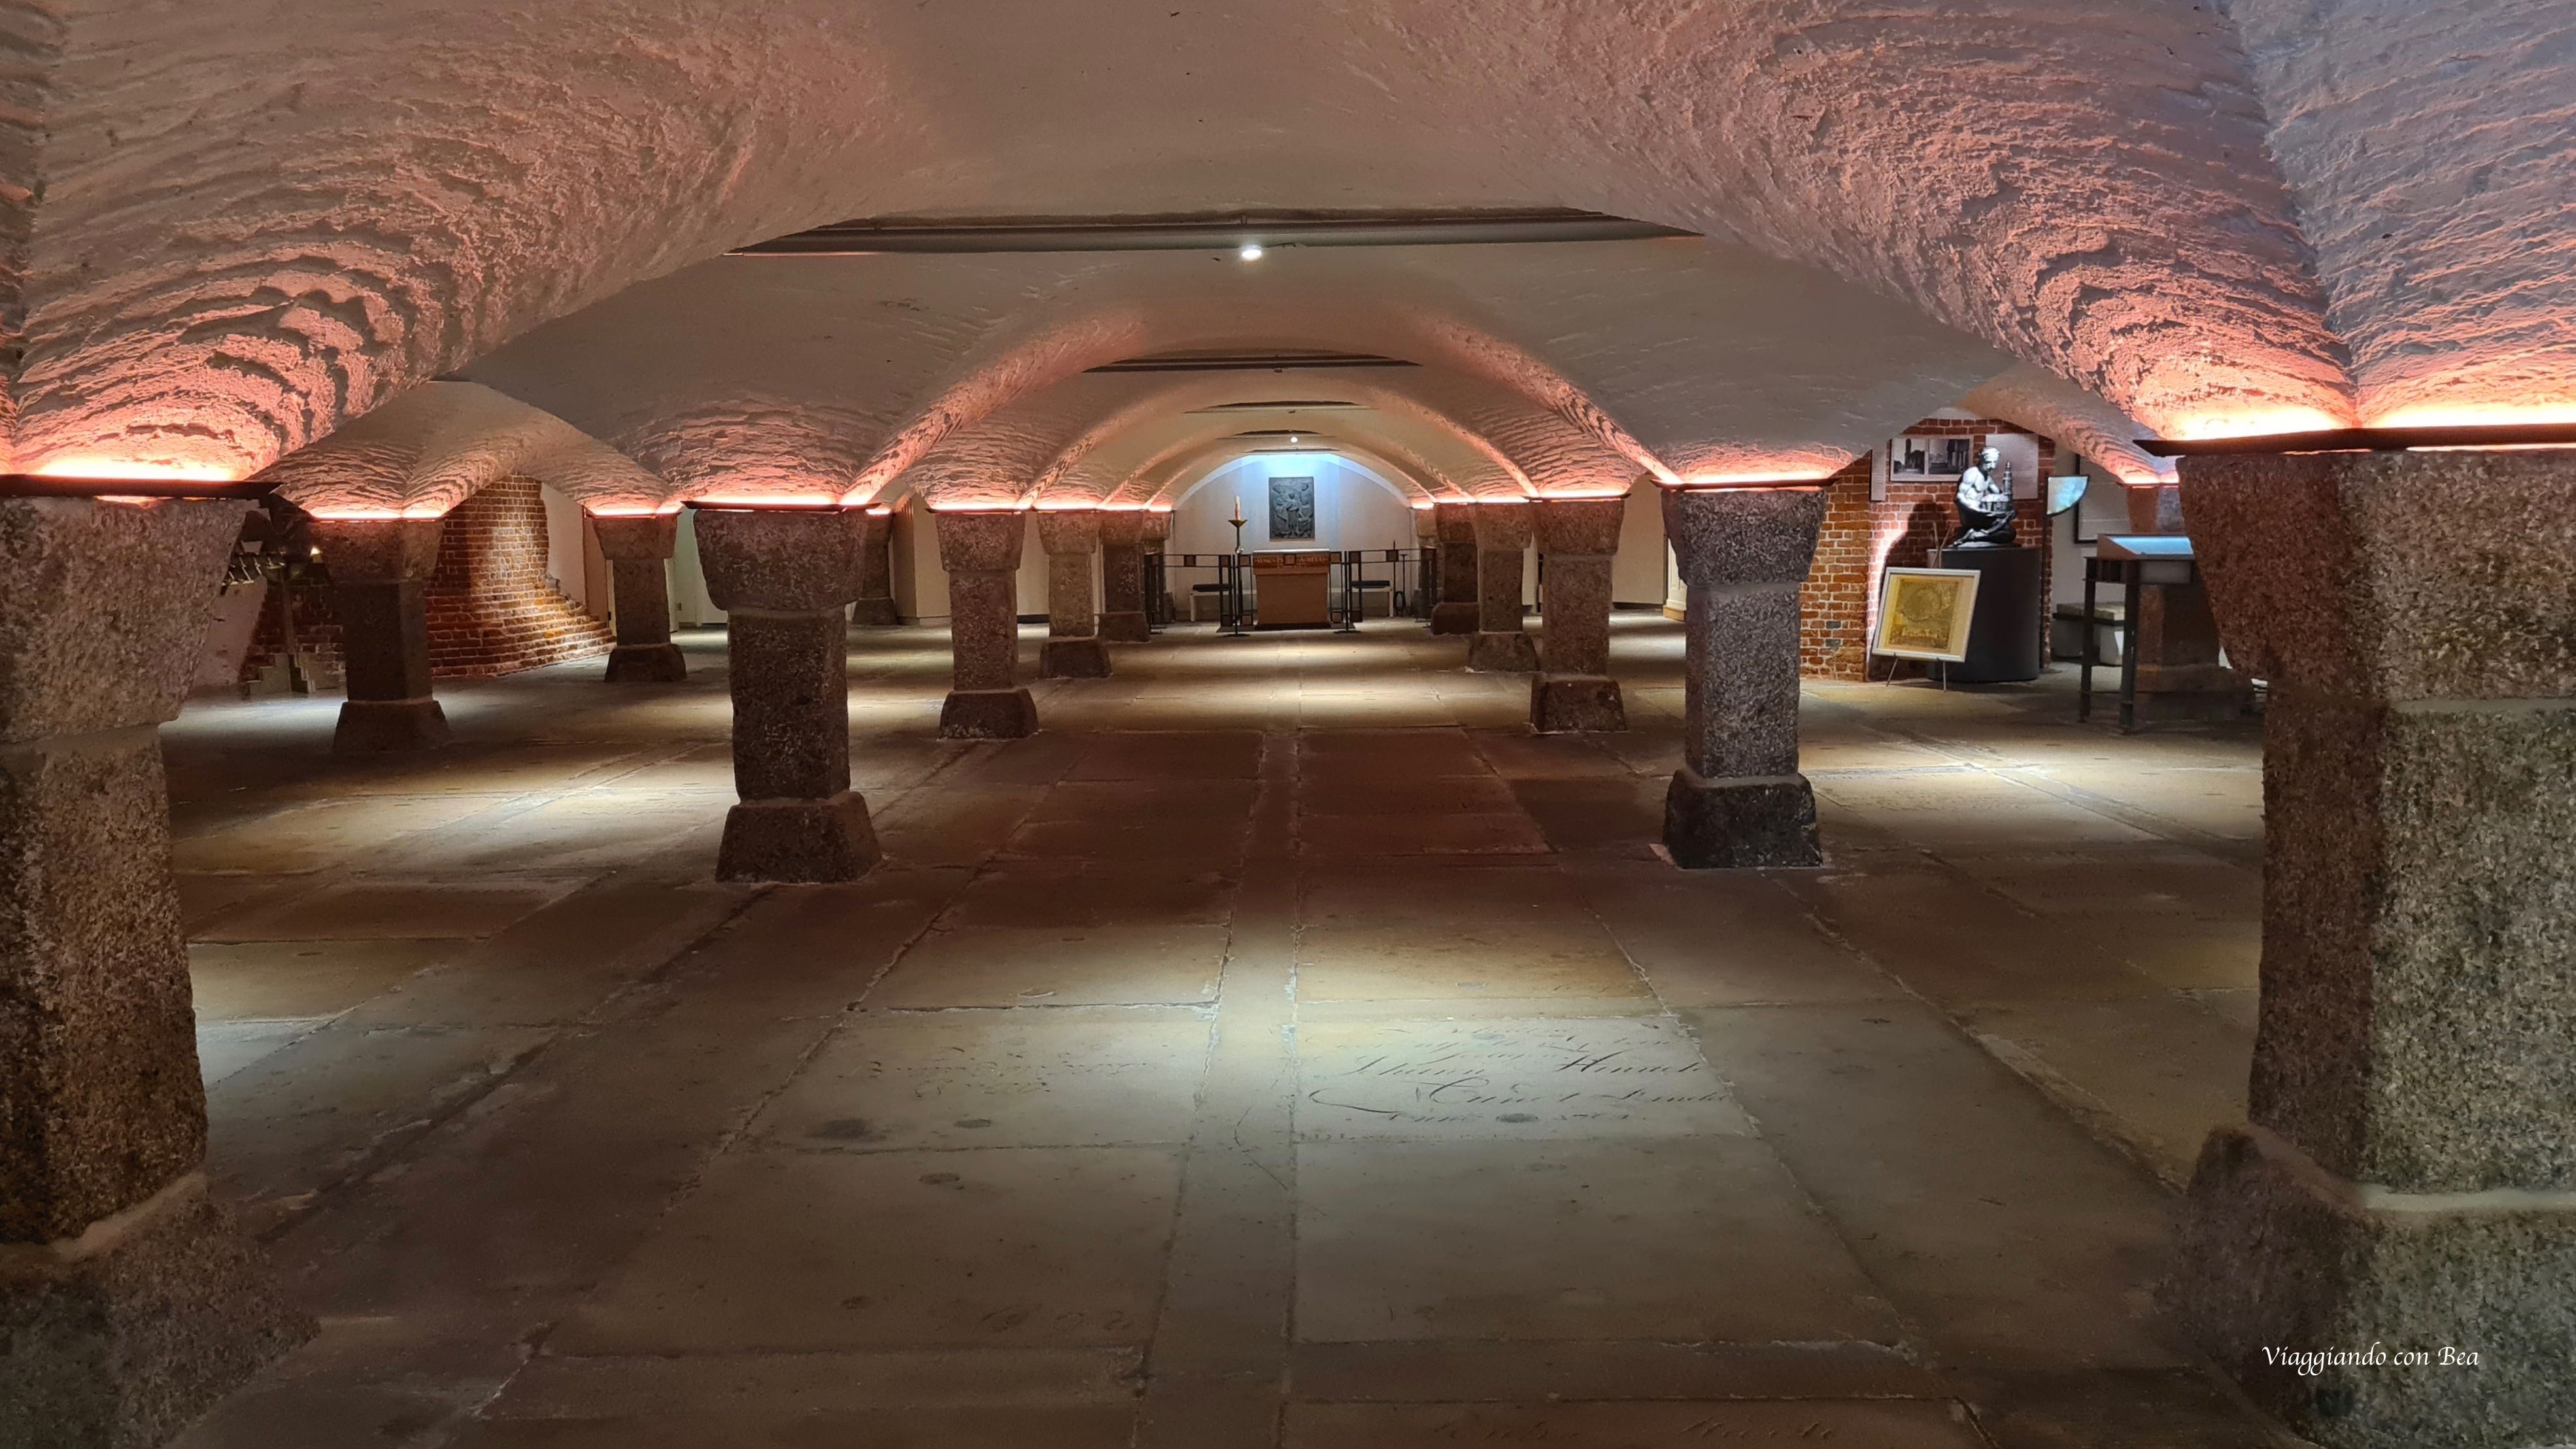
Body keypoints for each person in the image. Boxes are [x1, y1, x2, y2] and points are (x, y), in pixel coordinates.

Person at [1947, 445, 2018, 548]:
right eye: (1989, 462)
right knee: (2007, 532)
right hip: (1971, 516)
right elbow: (1959, 497)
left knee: (2010, 533)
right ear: (1981, 459)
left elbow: (2001, 496)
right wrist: (1978, 510)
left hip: (1984, 516)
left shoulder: (1988, 479)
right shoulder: (1972, 474)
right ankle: (1977, 534)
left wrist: (2011, 509)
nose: (1992, 466)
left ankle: (1976, 536)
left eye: (1995, 462)